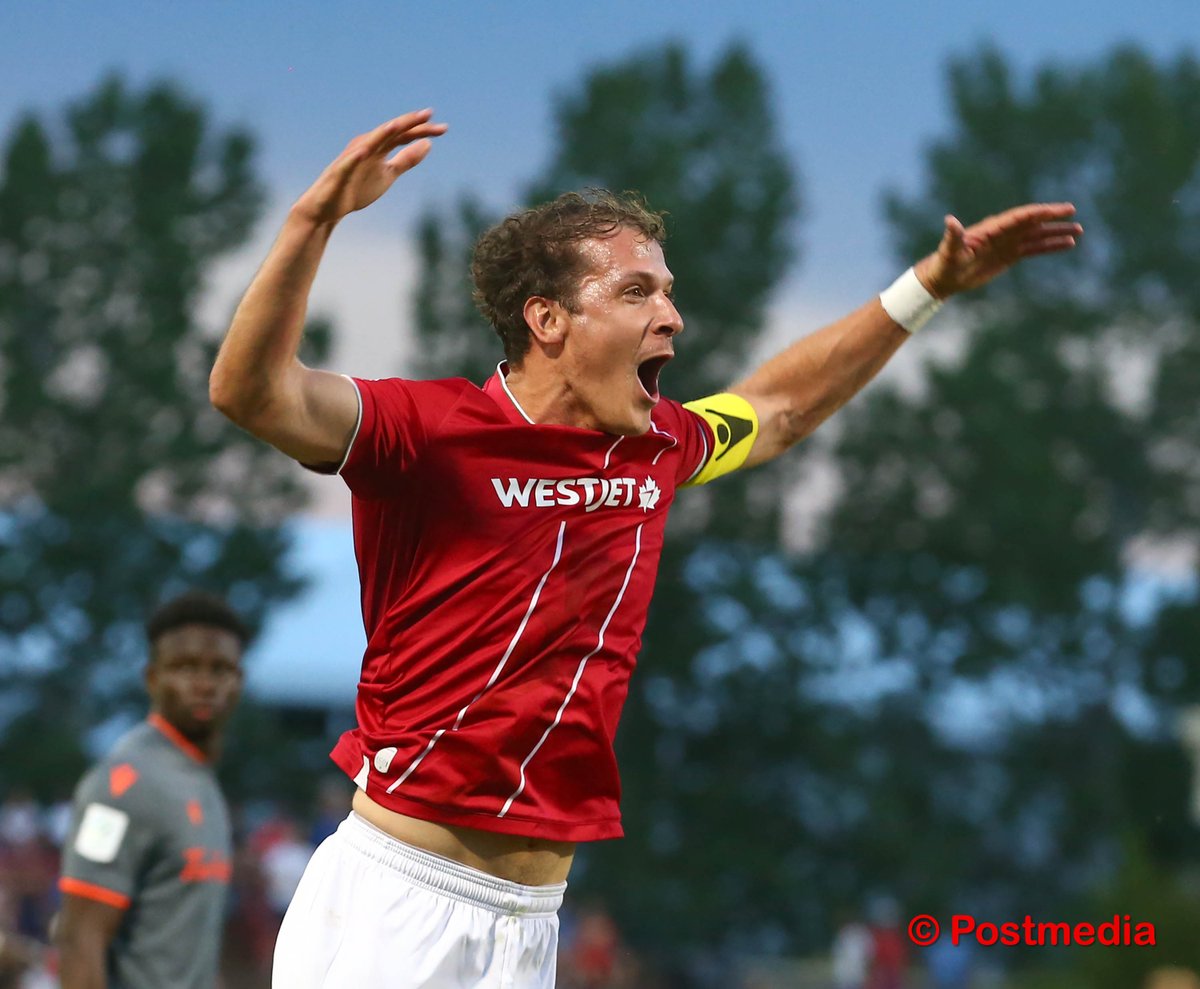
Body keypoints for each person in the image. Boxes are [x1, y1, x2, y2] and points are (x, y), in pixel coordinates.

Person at [209, 109, 1081, 988]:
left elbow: (776, 410)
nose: (673, 315)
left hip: (531, 925)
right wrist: (312, 222)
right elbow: (250, 392)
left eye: (666, 290)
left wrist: (925, 287)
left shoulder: (657, 447)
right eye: (636, 292)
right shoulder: (426, 431)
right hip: (394, 905)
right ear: (547, 318)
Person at [54, 592, 248, 989]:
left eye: (220, 669)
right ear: (152, 678)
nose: (205, 684)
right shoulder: (124, 784)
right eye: (186, 667)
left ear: (238, 682)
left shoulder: (201, 779)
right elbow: (78, 942)